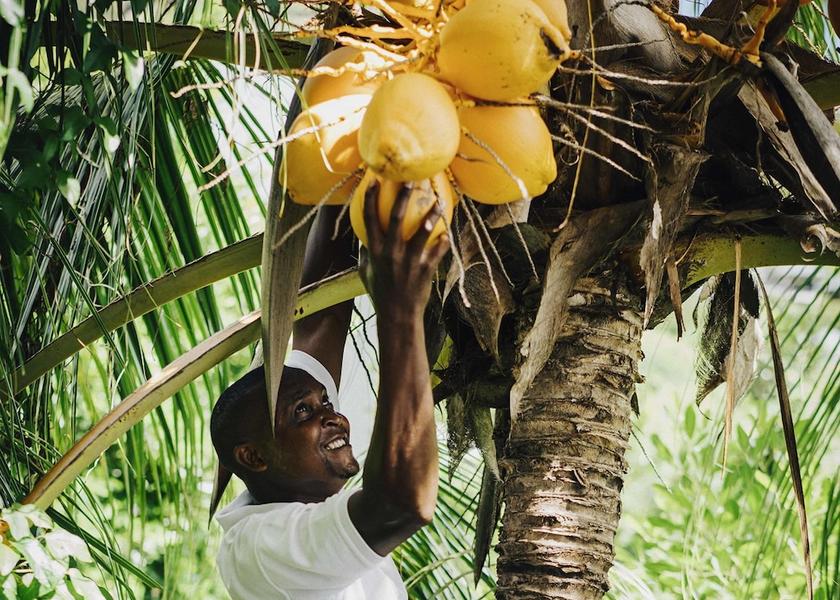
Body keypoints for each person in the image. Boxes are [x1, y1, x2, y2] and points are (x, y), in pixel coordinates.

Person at [210, 182, 450, 599]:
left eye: (323, 402)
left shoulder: (293, 459)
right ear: (253, 456)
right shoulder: (257, 550)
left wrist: (346, 172)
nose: (333, 416)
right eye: (304, 413)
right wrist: (401, 307)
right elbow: (400, 504)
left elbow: (321, 310)